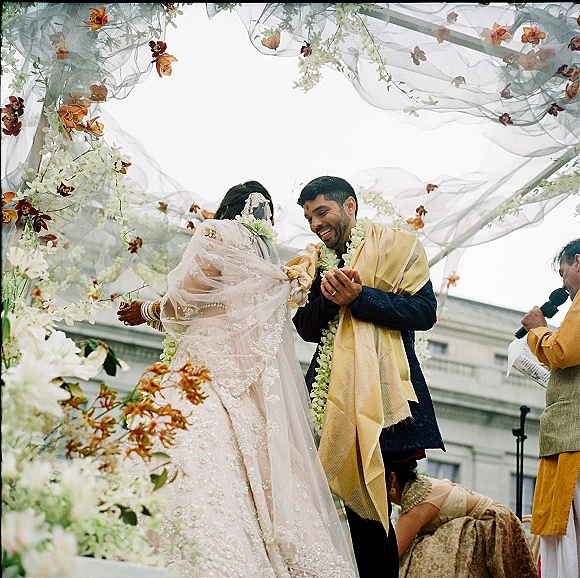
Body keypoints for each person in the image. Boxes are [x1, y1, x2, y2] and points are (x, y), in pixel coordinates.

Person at [117, 181, 358, 577]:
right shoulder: (267, 263)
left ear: (227, 209)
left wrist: (144, 309)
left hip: (202, 373)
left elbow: (181, 305)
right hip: (244, 388)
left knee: (186, 453)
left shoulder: (216, 233)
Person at [288, 175, 445, 577]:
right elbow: (305, 328)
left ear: (350, 206)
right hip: (330, 396)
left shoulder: (398, 247)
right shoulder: (312, 263)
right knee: (335, 504)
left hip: (383, 392)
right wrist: (326, 298)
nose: (315, 224)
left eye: (321, 212)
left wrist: (362, 298)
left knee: (373, 508)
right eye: (308, 218)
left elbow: (424, 312)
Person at [520, 237, 580, 578]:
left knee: (567, 534)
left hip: (574, 437)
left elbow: (561, 352)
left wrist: (537, 329)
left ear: (579, 263)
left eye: (563, 271)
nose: (562, 283)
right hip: (570, 437)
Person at [384, 458, 538, 577]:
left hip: (491, 527)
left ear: (392, 479)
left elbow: (391, 555)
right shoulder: (419, 488)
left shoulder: (417, 503)